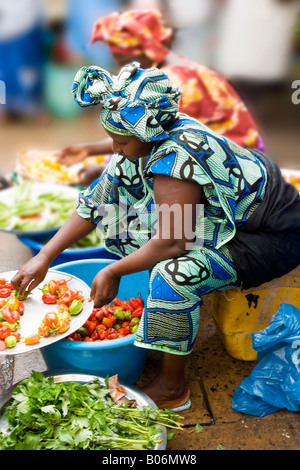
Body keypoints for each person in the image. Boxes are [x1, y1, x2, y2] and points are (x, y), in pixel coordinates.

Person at [12, 62, 300, 411]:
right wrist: (44, 257)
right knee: (121, 229)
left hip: (272, 236)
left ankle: (172, 387)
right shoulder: (151, 137)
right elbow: (95, 204)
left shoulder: (176, 158)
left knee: (173, 275)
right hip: (229, 219)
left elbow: (172, 242)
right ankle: (167, 328)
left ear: (145, 134)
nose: (114, 149)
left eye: (120, 141)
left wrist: (113, 272)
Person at [57, 8, 265, 186]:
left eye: (127, 60)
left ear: (150, 52)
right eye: (118, 62)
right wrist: (88, 150)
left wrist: (105, 173)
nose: (122, 69)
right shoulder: (152, 83)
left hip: (237, 162)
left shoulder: (173, 85)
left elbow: (151, 138)